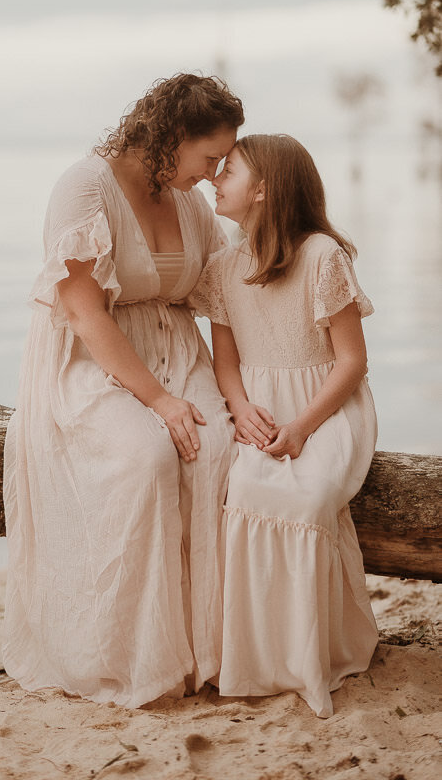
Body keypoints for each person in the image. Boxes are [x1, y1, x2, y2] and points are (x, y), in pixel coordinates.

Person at [3, 73, 244, 708]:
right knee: (147, 458)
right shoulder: (84, 187)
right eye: (210, 156)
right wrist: (159, 403)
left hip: (176, 349)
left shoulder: (189, 200)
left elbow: (226, 296)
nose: (216, 173)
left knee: (219, 450)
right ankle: (130, 654)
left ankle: (209, 652)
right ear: (172, 137)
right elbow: (85, 314)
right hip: (94, 357)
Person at [190, 134, 379, 718]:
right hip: (262, 407)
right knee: (246, 490)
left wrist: (300, 427)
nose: (214, 180)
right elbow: (225, 360)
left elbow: (352, 362)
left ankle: (311, 656)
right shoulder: (223, 267)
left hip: (326, 407)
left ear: (264, 189)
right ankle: (258, 660)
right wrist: (242, 408)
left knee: (308, 498)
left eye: (229, 171)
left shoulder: (322, 256)